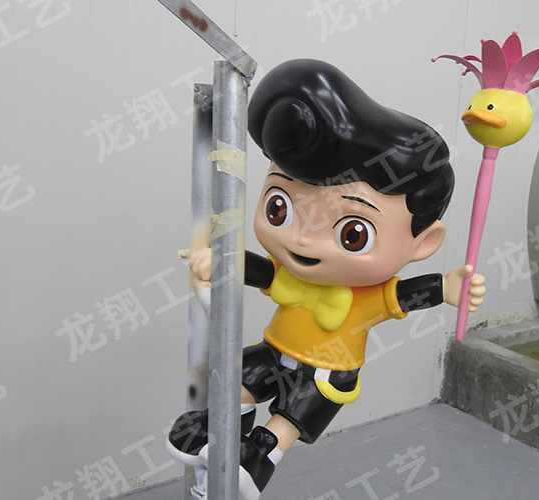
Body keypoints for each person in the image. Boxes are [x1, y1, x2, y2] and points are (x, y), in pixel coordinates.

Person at [167, 59, 486, 500]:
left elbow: (401, 295)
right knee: (236, 381)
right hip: (274, 351)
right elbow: (258, 269)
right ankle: (220, 438)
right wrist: (221, 261)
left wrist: (443, 288)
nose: (302, 238)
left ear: (424, 241)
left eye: (353, 233)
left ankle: (259, 458)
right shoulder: (287, 273)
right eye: (279, 207)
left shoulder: (367, 296)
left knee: (286, 420)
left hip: (325, 374)